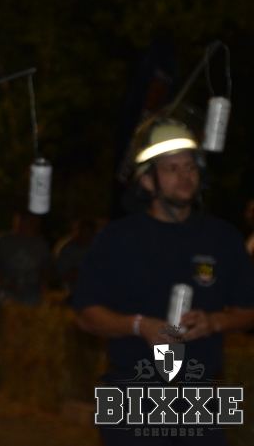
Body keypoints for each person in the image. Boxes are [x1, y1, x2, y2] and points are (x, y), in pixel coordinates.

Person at [73, 117, 254, 445]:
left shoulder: (223, 238)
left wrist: (214, 322)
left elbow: (248, 310)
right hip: (129, 393)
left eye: (190, 167)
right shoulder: (116, 239)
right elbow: (85, 315)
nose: (184, 177)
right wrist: (139, 326)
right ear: (147, 180)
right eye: (171, 169)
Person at [0, 210, 50, 305]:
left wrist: (43, 286)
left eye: (32, 222)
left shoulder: (40, 244)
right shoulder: (1, 241)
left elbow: (46, 269)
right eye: (25, 221)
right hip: (5, 293)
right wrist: (6, 282)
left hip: (33, 294)